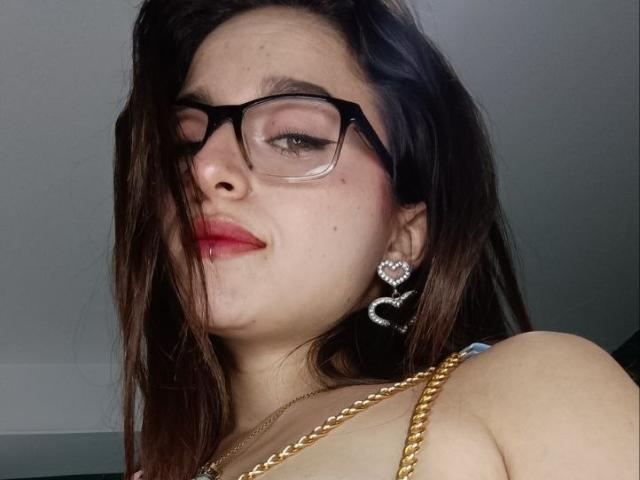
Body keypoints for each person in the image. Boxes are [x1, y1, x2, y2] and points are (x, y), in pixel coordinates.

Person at [112, 1, 639, 479]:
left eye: (295, 136)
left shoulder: (527, 390)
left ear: (402, 237)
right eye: (185, 143)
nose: (204, 168)